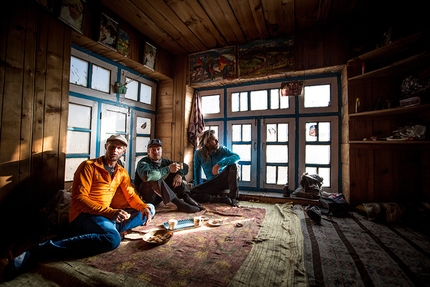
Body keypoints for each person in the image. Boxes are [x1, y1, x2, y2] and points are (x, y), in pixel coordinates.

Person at [1, 135, 154, 282]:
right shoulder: (89, 166)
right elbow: (80, 200)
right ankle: (37, 252)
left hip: (106, 215)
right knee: (112, 239)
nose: (115, 150)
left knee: (150, 209)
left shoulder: (121, 172)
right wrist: (110, 213)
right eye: (112, 146)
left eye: (119, 148)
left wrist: (143, 207)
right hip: (84, 215)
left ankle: (109, 228)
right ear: (106, 147)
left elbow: (130, 195)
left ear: (123, 152)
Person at [135, 139, 203, 213]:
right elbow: (147, 176)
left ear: (161, 150)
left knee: (175, 170)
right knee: (154, 177)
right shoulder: (143, 162)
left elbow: (185, 166)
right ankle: (179, 203)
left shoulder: (164, 161)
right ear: (148, 152)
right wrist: (168, 169)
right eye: (153, 150)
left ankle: (186, 197)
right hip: (146, 197)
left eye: (158, 149)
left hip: (159, 197)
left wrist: (179, 175)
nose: (156, 152)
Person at [191, 130, 240, 206]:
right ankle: (221, 199)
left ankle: (233, 198)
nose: (217, 141)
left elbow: (237, 156)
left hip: (223, 180)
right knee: (192, 193)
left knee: (234, 165)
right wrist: (198, 187)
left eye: (216, 139)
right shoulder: (198, 153)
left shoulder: (221, 149)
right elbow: (197, 170)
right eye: (214, 140)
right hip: (211, 183)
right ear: (207, 143)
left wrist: (219, 164)